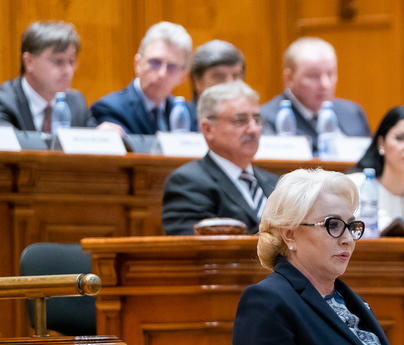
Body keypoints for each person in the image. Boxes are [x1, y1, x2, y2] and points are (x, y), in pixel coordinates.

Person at [233, 168, 399, 345]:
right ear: (290, 233)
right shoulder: (268, 302)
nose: (348, 239)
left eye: (352, 226)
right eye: (333, 225)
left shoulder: (350, 302)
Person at [162, 81, 278, 235]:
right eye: (240, 120)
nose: (254, 129)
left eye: (256, 120)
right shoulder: (188, 183)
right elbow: (195, 249)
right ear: (208, 129)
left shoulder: (277, 184)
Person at [259, 37, 370, 153]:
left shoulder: (352, 112)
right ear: (289, 78)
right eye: (313, 76)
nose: (325, 84)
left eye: (330, 74)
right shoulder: (267, 119)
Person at [0, 21, 94, 130]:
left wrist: (104, 135)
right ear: (29, 62)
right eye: (58, 61)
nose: (68, 70)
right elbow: (8, 146)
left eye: (71, 61)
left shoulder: (75, 102)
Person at [91, 21, 196, 135]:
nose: (162, 73)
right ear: (138, 64)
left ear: (183, 75)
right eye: (155, 62)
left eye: (172, 67)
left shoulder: (188, 115)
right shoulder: (110, 109)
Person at [189, 39, 245, 104]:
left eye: (236, 76)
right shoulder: (180, 113)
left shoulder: (254, 113)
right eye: (219, 76)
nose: (230, 84)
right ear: (197, 81)